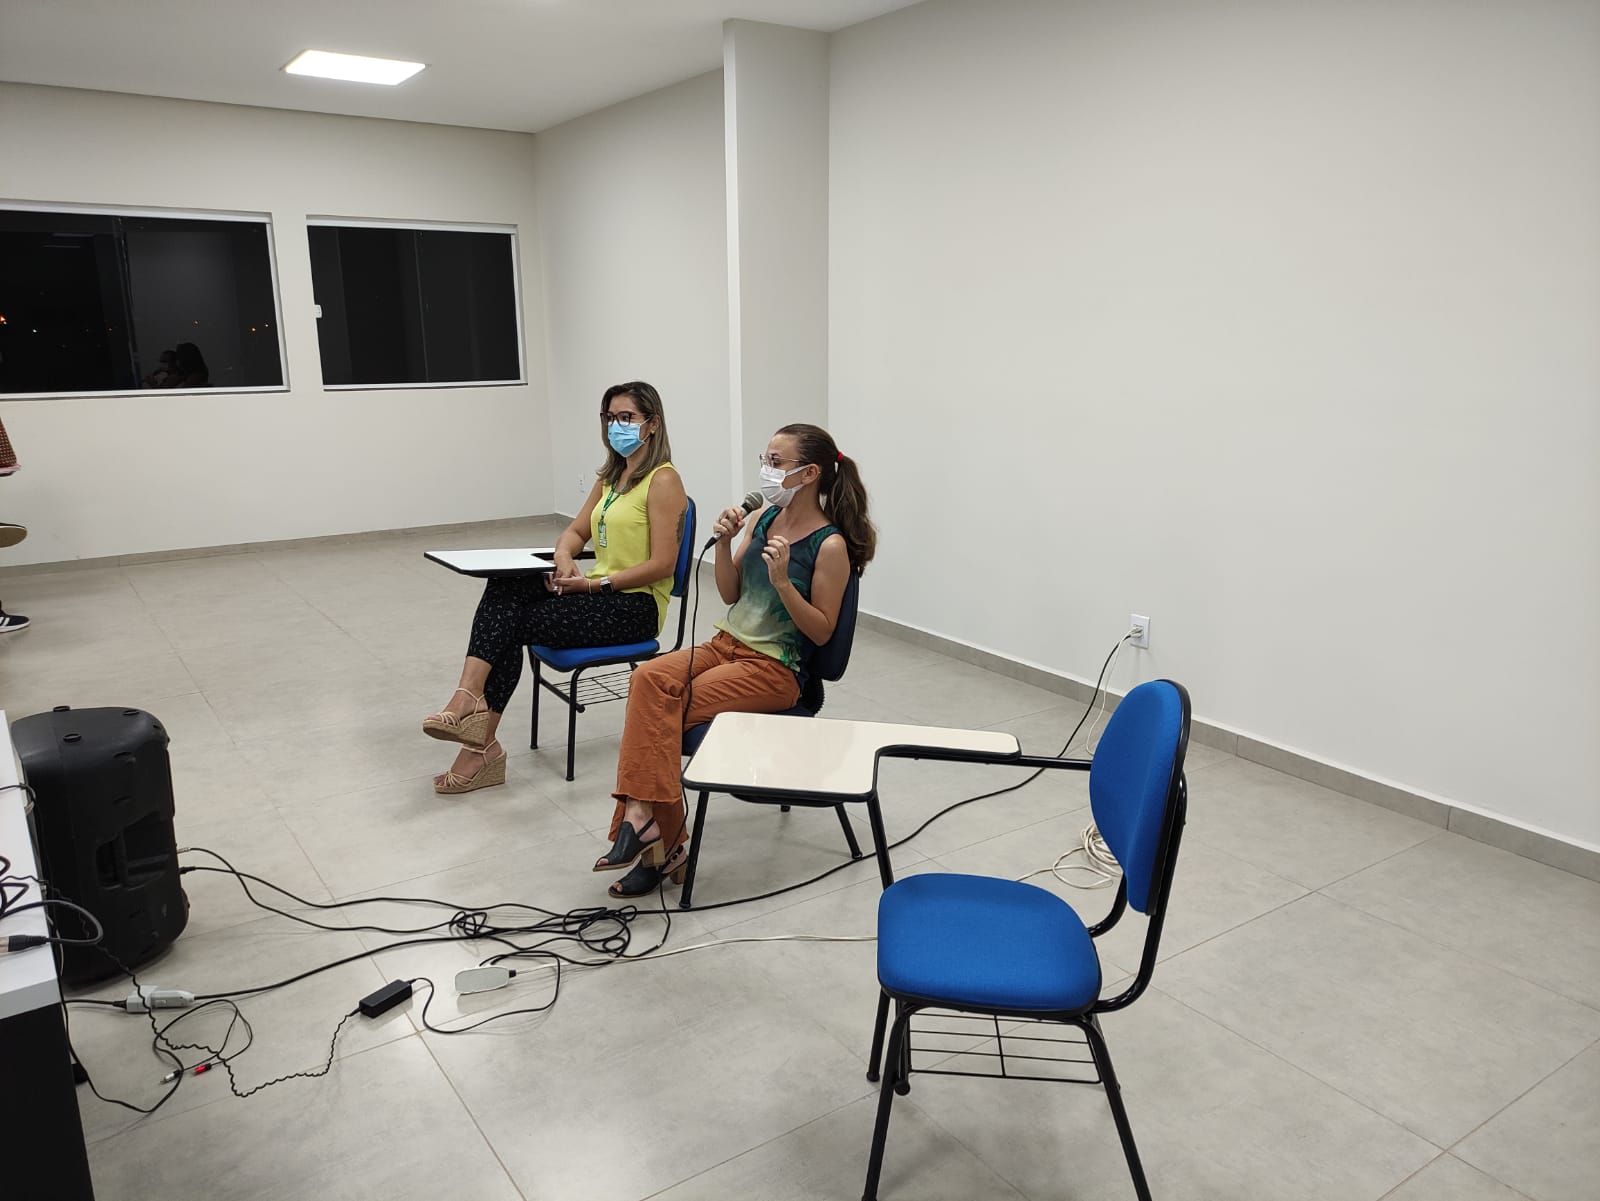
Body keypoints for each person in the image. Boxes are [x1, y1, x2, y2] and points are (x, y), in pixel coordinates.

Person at [593, 423, 875, 897]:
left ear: (809, 473)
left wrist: (783, 582)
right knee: (647, 680)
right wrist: (724, 544)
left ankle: (655, 840)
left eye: (776, 462)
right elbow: (730, 593)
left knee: (662, 712)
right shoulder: (765, 518)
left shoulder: (829, 545)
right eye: (765, 460)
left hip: (774, 668)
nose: (766, 470)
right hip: (725, 645)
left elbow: (822, 631)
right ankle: (650, 825)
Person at [421, 382, 687, 794]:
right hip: (597, 590)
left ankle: (478, 740)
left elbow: (662, 564)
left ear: (652, 424)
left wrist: (592, 585)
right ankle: (471, 702)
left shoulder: (663, 480)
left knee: (512, 623)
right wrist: (563, 556)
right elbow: (575, 532)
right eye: (610, 418)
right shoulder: (612, 476)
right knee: (505, 587)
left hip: (634, 607)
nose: (616, 426)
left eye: (626, 417)